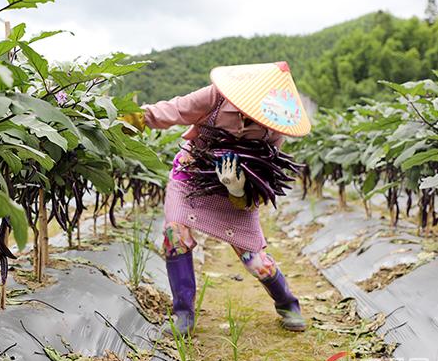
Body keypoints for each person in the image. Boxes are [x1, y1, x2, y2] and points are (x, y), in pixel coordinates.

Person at [124, 61, 311, 334]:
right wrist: (133, 118)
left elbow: (263, 179)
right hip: (191, 174)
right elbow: (175, 109)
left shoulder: (273, 127)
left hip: (236, 188)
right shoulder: (217, 96)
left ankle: (287, 304)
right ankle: (183, 314)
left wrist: (237, 190)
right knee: (174, 235)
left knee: (254, 260)